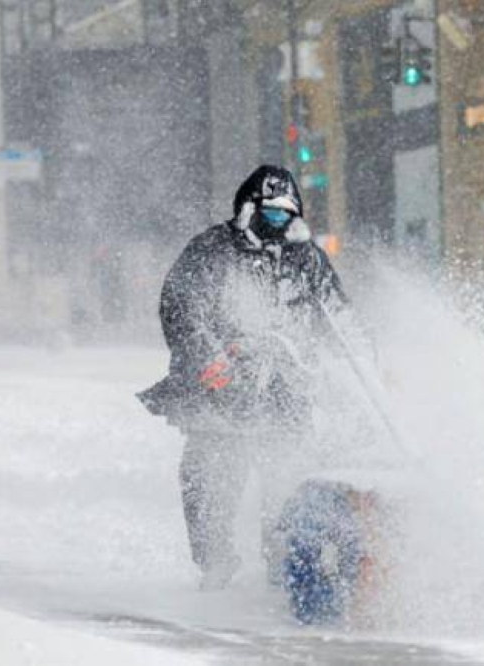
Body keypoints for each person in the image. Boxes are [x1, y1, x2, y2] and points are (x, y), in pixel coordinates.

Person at [138, 165, 349, 590]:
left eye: (285, 215)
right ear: (248, 209)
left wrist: (364, 372)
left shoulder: (306, 259)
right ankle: (215, 567)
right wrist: (210, 361)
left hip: (286, 392)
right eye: (269, 214)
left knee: (288, 485)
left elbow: (342, 321)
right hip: (222, 394)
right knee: (210, 484)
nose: (278, 224)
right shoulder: (212, 251)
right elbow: (181, 308)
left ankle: (283, 571)